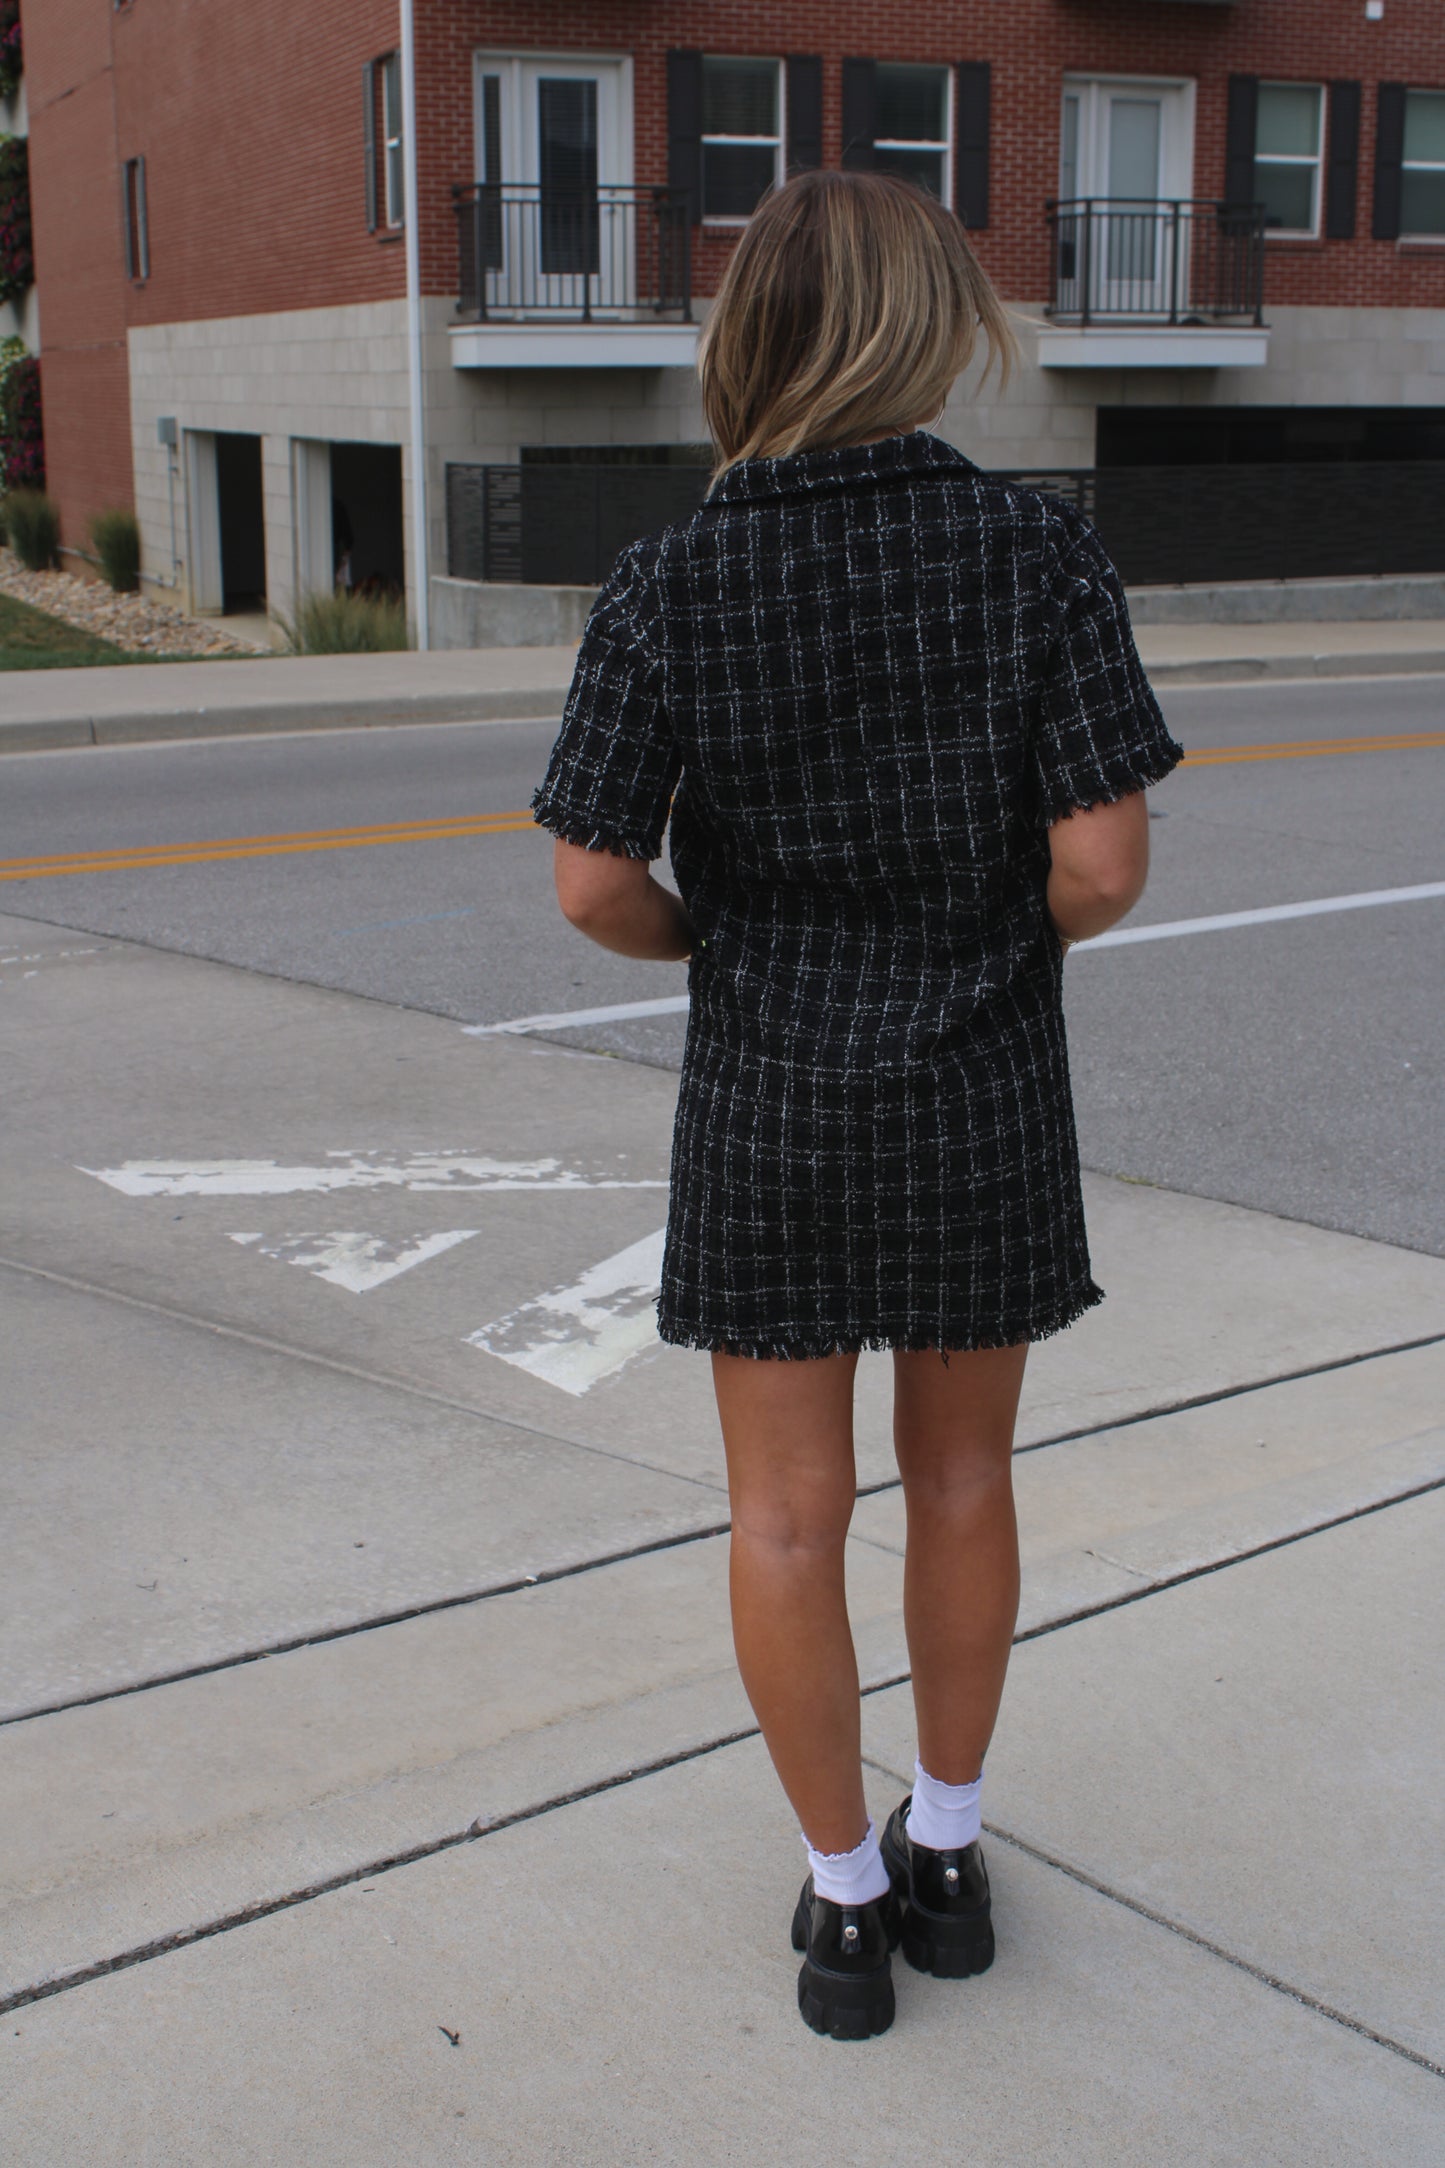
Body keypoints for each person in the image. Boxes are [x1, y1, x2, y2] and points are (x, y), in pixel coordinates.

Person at [532, 169, 1182, 2042]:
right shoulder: (1037, 556)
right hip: (980, 1077)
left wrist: (716, 947)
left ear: (751, 339)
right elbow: (1103, 868)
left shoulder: (673, 578)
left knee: (786, 1514)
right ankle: (953, 1860)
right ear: (926, 329)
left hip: (768, 1096)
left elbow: (589, 884)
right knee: (965, 1477)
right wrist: (991, 933)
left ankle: (839, 1907)